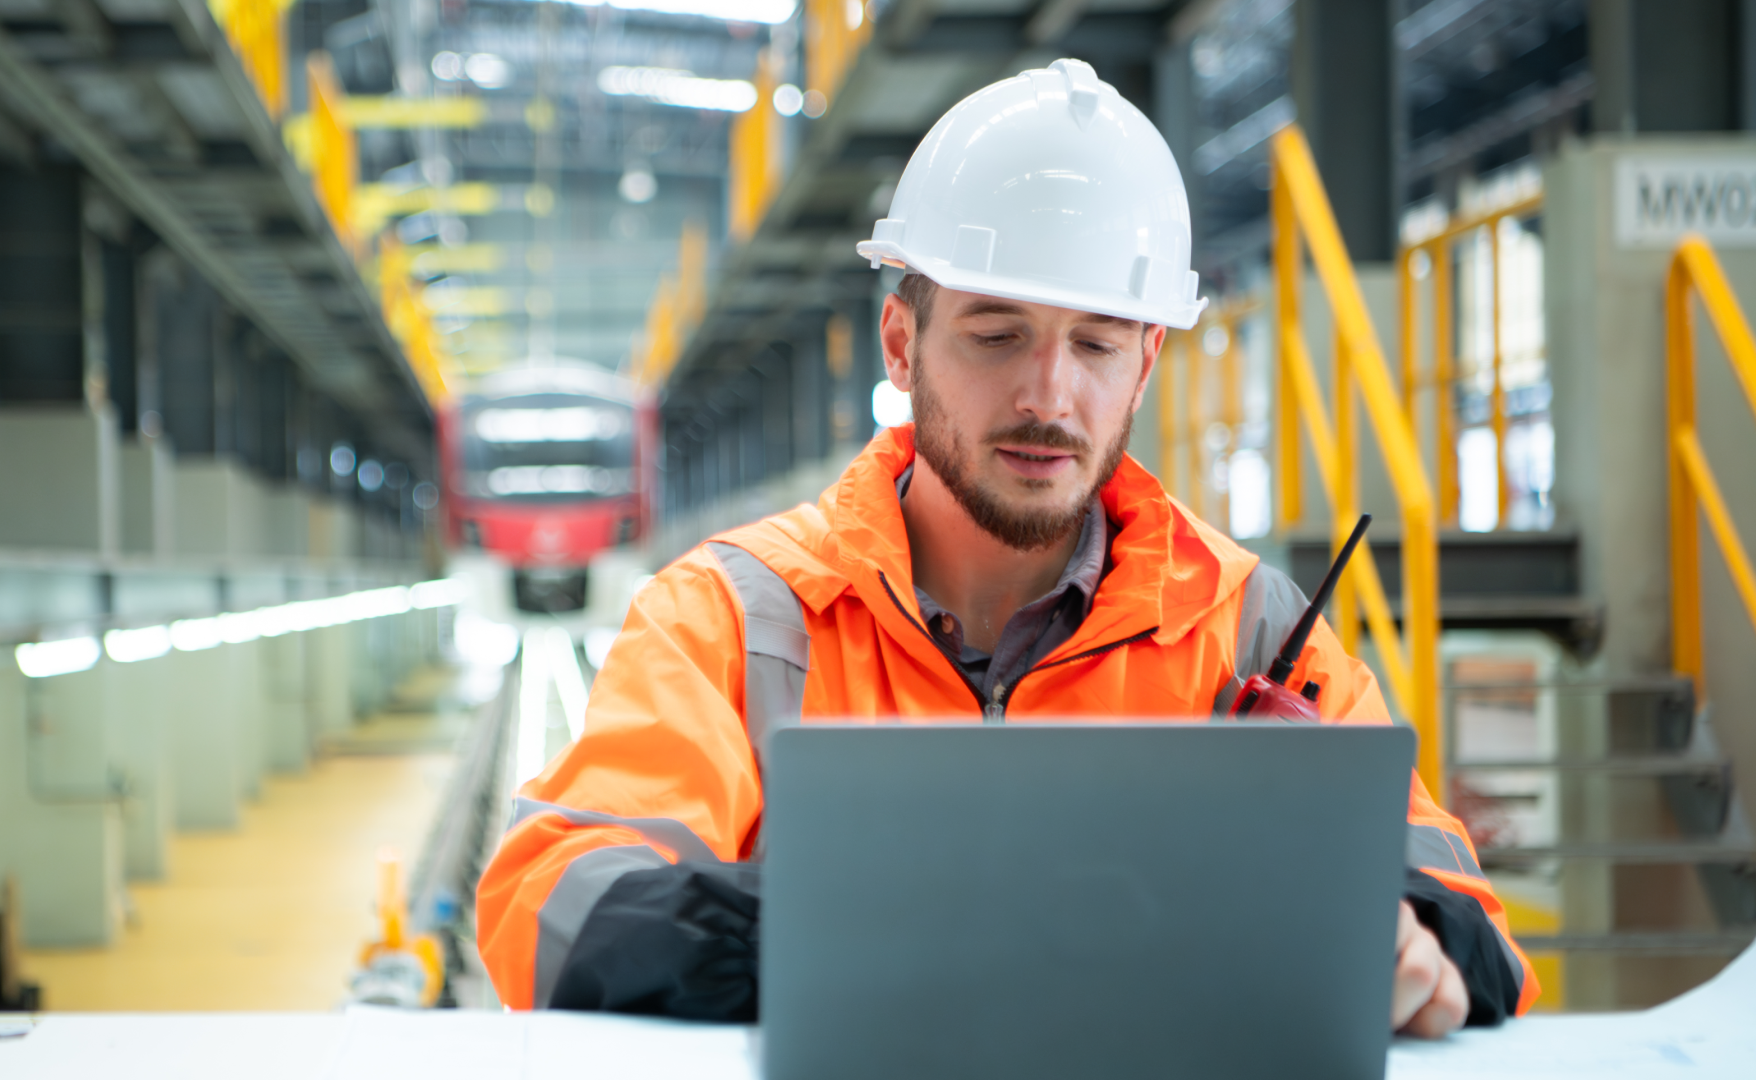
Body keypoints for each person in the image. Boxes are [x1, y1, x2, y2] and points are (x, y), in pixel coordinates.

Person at [476, 59, 1537, 1036]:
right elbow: (552, 899)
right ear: (903, 342)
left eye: (1096, 343)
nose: (1049, 395)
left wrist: (1419, 944)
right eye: (996, 335)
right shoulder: (736, 617)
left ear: (1146, 363)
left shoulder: (1252, 628)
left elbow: (1475, 926)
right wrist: (894, 937)